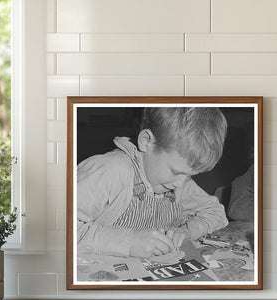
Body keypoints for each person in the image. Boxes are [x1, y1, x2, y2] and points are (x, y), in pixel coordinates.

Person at [77, 107, 228, 259]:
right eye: (175, 172)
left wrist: (187, 231)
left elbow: (216, 213)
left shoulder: (179, 182)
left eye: (190, 176)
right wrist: (128, 242)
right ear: (146, 141)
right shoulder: (108, 171)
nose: (181, 185)